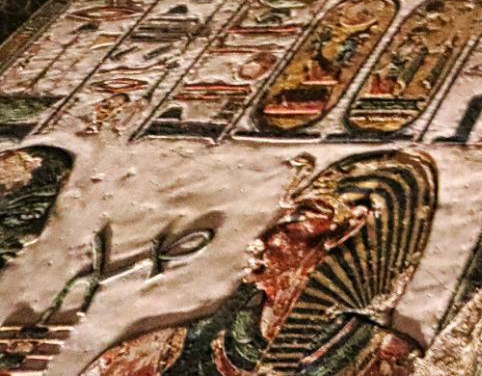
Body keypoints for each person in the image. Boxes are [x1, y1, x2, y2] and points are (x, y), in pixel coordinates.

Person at [82, 151, 436, 376]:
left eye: (292, 224)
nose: (264, 240)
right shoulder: (168, 350)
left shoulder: (382, 359)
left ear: (337, 241)